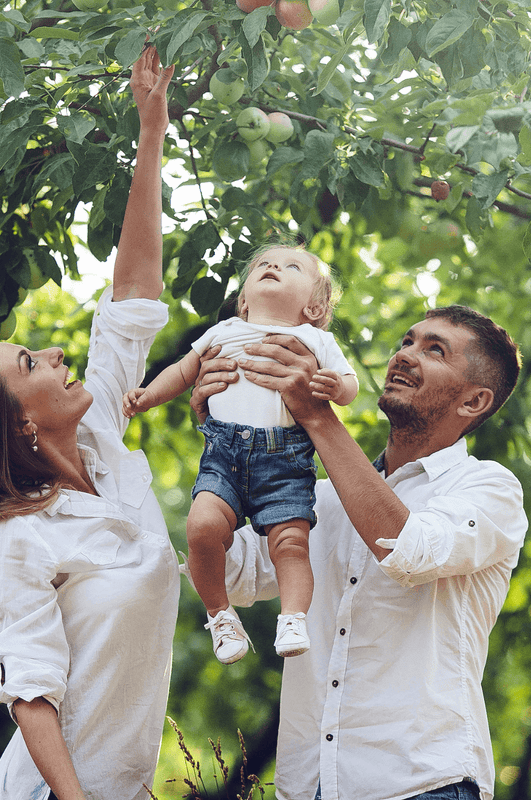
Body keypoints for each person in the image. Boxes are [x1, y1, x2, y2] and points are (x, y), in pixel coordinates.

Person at [0, 47, 177, 800]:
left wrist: (150, 134)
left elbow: (130, 295)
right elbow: (30, 689)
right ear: (20, 426)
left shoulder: (103, 451)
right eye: (31, 363)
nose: (57, 354)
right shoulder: (18, 536)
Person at [191, 305, 528, 800]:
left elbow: (408, 552)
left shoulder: (490, 489)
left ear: (474, 400)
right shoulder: (319, 499)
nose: (406, 355)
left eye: (435, 349)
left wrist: (314, 414)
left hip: (423, 785)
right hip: (307, 787)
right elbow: (230, 571)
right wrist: (226, 438)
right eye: (407, 341)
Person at [122, 245, 358, 664]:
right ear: (244, 301)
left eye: (291, 267)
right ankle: (220, 616)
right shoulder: (221, 332)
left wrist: (335, 389)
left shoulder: (316, 340)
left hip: (285, 463)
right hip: (223, 455)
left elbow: (348, 384)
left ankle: (293, 616)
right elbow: (182, 371)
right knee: (202, 528)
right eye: (263, 265)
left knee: (290, 544)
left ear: (315, 306)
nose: (273, 267)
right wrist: (148, 395)